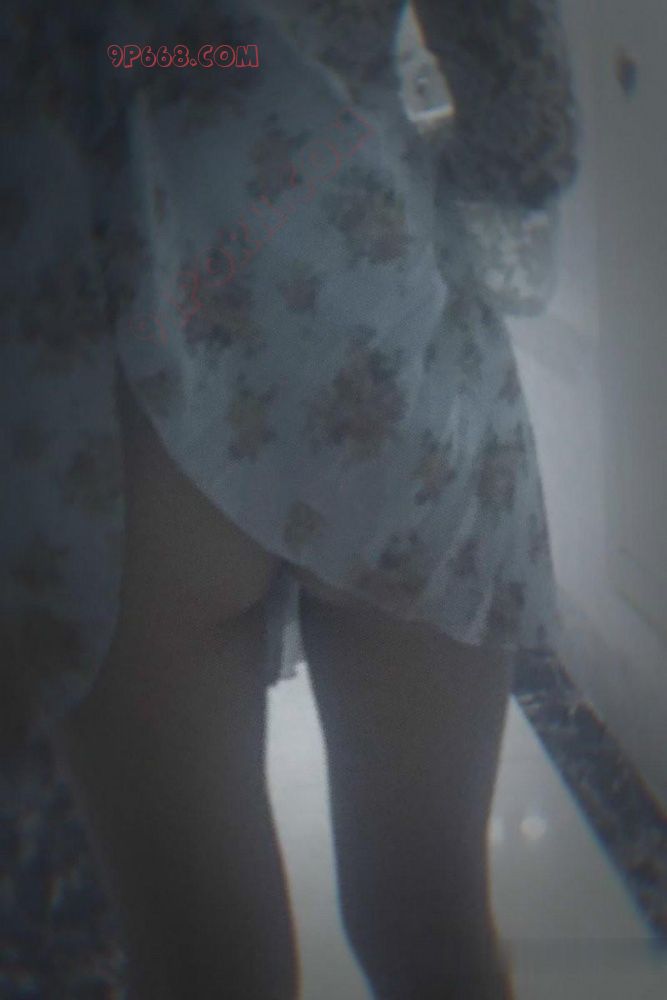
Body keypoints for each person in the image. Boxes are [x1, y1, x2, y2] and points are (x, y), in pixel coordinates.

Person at [1, 1, 579, 996]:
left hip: (113, 409)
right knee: (431, 926)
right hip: (386, 343)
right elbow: (524, 125)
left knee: (205, 969)